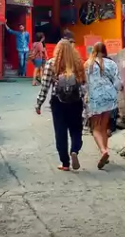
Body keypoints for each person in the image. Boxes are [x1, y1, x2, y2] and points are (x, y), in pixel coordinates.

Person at [36, 40, 87, 171]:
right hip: (76, 101)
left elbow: (45, 86)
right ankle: (75, 150)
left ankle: (65, 163)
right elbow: (84, 85)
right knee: (76, 129)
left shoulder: (51, 63)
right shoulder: (77, 63)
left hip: (58, 102)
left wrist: (39, 103)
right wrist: (86, 104)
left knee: (60, 132)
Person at [85, 42, 121, 169]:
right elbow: (117, 81)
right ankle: (105, 150)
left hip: (95, 98)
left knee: (95, 128)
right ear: (105, 50)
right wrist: (115, 91)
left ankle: (103, 151)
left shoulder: (88, 64)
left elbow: (84, 83)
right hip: (109, 97)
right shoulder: (111, 63)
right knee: (104, 126)